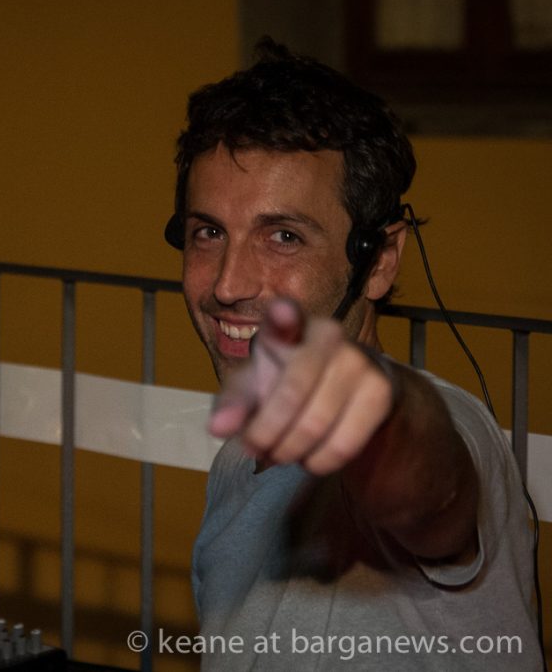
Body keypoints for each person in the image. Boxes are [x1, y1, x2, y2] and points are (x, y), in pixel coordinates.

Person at [163, 37, 543, 670]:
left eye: (284, 237)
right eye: (209, 232)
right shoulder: (238, 461)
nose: (227, 284)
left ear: (379, 260)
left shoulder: (445, 426)